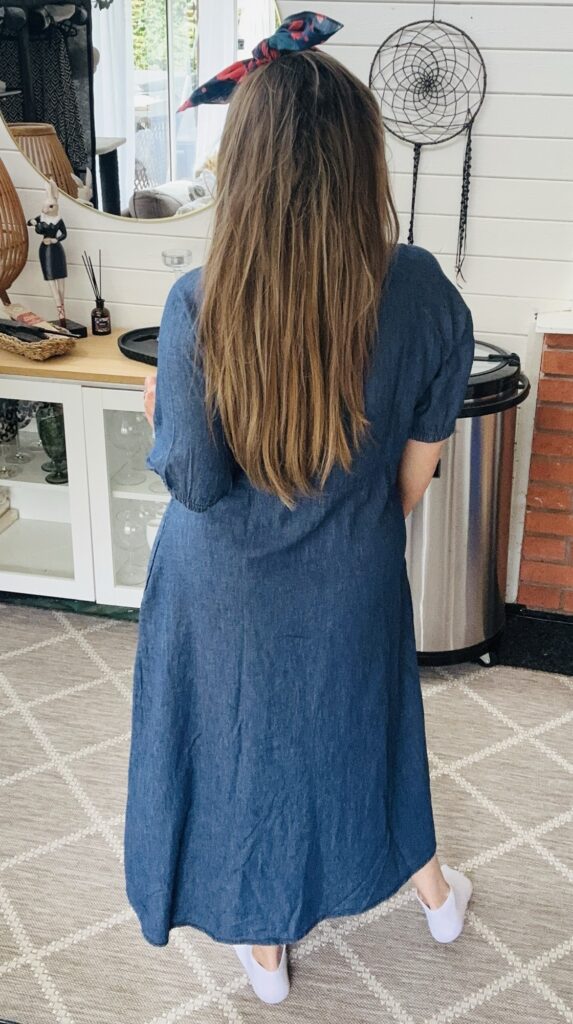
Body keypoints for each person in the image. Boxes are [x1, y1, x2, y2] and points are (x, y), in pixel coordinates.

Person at [123, 11, 476, 1007]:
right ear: (362, 160)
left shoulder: (199, 303)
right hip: (352, 572)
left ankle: (267, 950)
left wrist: (160, 411)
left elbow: (196, 480)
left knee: (243, 749)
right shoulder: (420, 288)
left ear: (247, 166)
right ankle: (436, 898)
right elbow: (409, 484)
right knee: (364, 731)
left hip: (221, 588)